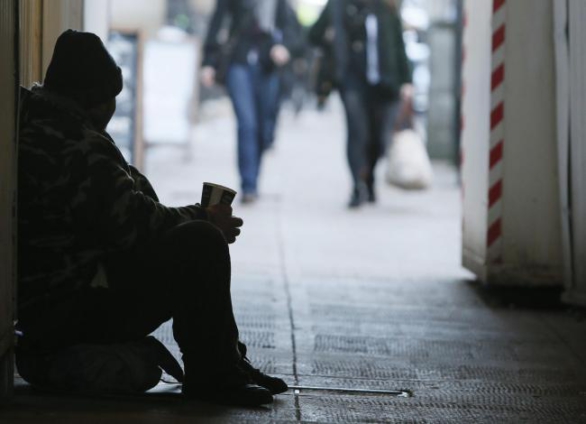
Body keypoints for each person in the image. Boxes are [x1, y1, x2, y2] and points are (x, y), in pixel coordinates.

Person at [16, 29, 287, 407]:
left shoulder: (49, 125)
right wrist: (205, 217)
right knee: (201, 244)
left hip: (53, 301)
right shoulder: (75, 145)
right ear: (97, 100)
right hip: (70, 308)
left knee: (193, 237)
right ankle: (215, 376)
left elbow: (123, 208)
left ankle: (227, 360)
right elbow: (136, 224)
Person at [309, 0, 413, 208]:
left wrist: (406, 80)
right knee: (358, 133)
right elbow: (313, 35)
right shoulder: (338, 5)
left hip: (384, 84)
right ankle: (357, 184)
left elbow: (398, 44)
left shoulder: (386, 7)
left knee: (379, 139)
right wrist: (331, 42)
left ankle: (369, 176)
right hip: (352, 81)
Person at [201, 0, 302, 204]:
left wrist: (284, 47)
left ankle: (253, 177)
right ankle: (249, 185)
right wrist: (208, 63)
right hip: (238, 62)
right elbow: (217, 23)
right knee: (247, 124)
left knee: (264, 129)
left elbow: (292, 27)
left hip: (268, 65)